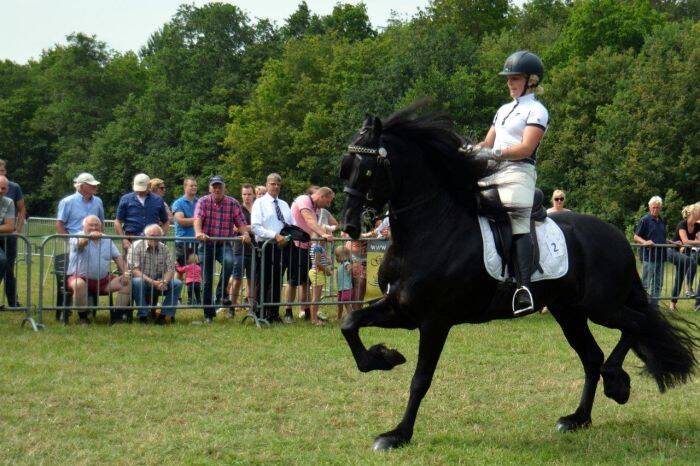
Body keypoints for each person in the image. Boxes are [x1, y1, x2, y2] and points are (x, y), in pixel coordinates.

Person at [465, 50, 549, 315]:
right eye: (508, 79)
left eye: (515, 78)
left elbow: (525, 148)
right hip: (493, 170)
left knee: (517, 217)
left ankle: (524, 289)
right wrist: (470, 150)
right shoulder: (502, 110)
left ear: (531, 80)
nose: (510, 83)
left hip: (519, 172)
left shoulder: (537, 110)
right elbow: (487, 143)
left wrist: (494, 153)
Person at [193, 175, 251, 323]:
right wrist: (198, 233)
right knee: (207, 280)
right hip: (206, 244)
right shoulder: (203, 201)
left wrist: (245, 233)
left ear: (224, 187)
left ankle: (220, 294)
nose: (217, 189)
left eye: (220, 186)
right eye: (214, 186)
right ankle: (208, 314)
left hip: (224, 244)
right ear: (210, 188)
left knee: (230, 262)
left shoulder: (232, 203)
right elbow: (197, 219)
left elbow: (241, 222)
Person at [66, 215, 131, 324]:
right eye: (91, 225)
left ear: (101, 227)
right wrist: (89, 237)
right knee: (79, 284)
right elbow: (81, 244)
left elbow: (117, 257)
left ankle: (117, 317)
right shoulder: (76, 236)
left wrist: (125, 273)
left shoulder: (106, 239)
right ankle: (83, 318)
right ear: (84, 226)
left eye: (97, 225)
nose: (94, 227)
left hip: (103, 281)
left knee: (127, 283)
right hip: (80, 279)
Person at [286, 187, 335, 323]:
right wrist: (323, 234)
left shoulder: (317, 208)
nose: (328, 205)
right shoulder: (304, 200)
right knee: (293, 280)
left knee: (306, 282)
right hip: (295, 245)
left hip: (309, 246)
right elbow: (310, 221)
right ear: (322, 197)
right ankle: (288, 311)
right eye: (328, 201)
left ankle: (307, 310)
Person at [250, 173, 292, 323]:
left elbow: (290, 226)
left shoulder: (284, 205)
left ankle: (273, 313)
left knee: (277, 281)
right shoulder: (259, 203)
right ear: (267, 185)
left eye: (278, 184)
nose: (275, 187)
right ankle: (259, 312)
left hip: (281, 247)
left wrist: (286, 238)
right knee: (263, 280)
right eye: (272, 184)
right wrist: (274, 235)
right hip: (265, 246)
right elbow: (255, 227)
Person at [127, 224, 182, 324]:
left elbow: (170, 269)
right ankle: (143, 316)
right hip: (143, 280)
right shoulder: (136, 246)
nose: (155, 238)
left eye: (157, 235)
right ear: (145, 235)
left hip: (159, 280)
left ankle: (164, 315)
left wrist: (164, 281)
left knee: (177, 283)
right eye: (152, 235)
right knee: (137, 282)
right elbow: (134, 270)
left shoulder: (164, 248)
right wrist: (153, 282)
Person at [115, 173, 169, 251]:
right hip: (131, 241)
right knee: (131, 263)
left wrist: (160, 237)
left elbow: (166, 222)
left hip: (153, 241)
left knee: (153, 263)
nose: (140, 191)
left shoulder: (158, 200)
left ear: (149, 186)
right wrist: (124, 240)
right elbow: (117, 222)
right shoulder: (125, 199)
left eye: (143, 189)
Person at [0, 161, 26, 308]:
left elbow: (22, 209)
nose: (1, 173)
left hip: (9, 237)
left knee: (9, 268)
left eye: (3, 170)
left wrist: (18, 229)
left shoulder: (14, 187)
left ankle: (13, 301)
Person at [633, 196, 667, 303]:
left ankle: (654, 306)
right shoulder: (645, 220)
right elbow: (636, 236)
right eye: (653, 207)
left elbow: (662, 237)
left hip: (661, 257)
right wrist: (645, 242)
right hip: (649, 257)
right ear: (649, 207)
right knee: (645, 283)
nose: (655, 209)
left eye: (657, 207)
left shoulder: (661, 221)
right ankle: (640, 304)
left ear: (661, 208)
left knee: (658, 283)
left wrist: (672, 242)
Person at [229, 184, 256, 317]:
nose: (247, 197)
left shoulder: (257, 208)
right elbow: (235, 228)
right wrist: (251, 228)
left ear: (254, 195)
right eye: (244, 194)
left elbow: (260, 226)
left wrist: (245, 228)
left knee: (252, 280)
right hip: (239, 249)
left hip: (254, 249)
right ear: (241, 195)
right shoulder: (237, 208)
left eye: (249, 194)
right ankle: (231, 307)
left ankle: (251, 307)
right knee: (237, 279)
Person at [668, 203, 700, 311]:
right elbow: (685, 241)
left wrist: (694, 242)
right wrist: (696, 242)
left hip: (683, 254)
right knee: (692, 261)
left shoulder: (697, 225)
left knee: (679, 278)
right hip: (673, 252)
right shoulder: (682, 224)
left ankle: (672, 304)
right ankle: (688, 288)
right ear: (694, 213)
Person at [171, 177, 199, 266]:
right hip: (182, 242)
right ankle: (179, 281)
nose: (194, 187)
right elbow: (181, 221)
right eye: (191, 186)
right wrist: (199, 220)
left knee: (196, 270)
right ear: (185, 187)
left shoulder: (200, 202)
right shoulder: (178, 203)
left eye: (195, 185)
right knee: (180, 270)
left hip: (197, 242)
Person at [307, 234, 331, 325]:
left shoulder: (318, 247)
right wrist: (326, 271)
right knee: (316, 298)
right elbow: (317, 262)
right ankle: (314, 319)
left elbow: (319, 260)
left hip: (318, 272)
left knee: (316, 297)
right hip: (317, 272)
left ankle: (314, 317)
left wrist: (327, 261)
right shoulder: (317, 247)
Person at [0, 177, 17, 300]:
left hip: (7, 241)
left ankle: (13, 302)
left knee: (9, 269)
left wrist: (6, 227)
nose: (1, 190)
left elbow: (10, 226)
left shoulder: (9, 202)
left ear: (7, 189)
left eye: (3, 188)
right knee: (1, 260)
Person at [334, 244, 353, 320]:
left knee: (347, 303)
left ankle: (351, 317)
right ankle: (339, 317)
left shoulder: (346, 263)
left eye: (338, 256)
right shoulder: (341, 265)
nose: (336, 258)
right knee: (339, 304)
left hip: (346, 288)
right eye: (336, 256)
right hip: (340, 289)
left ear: (344, 256)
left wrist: (349, 268)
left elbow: (349, 268)